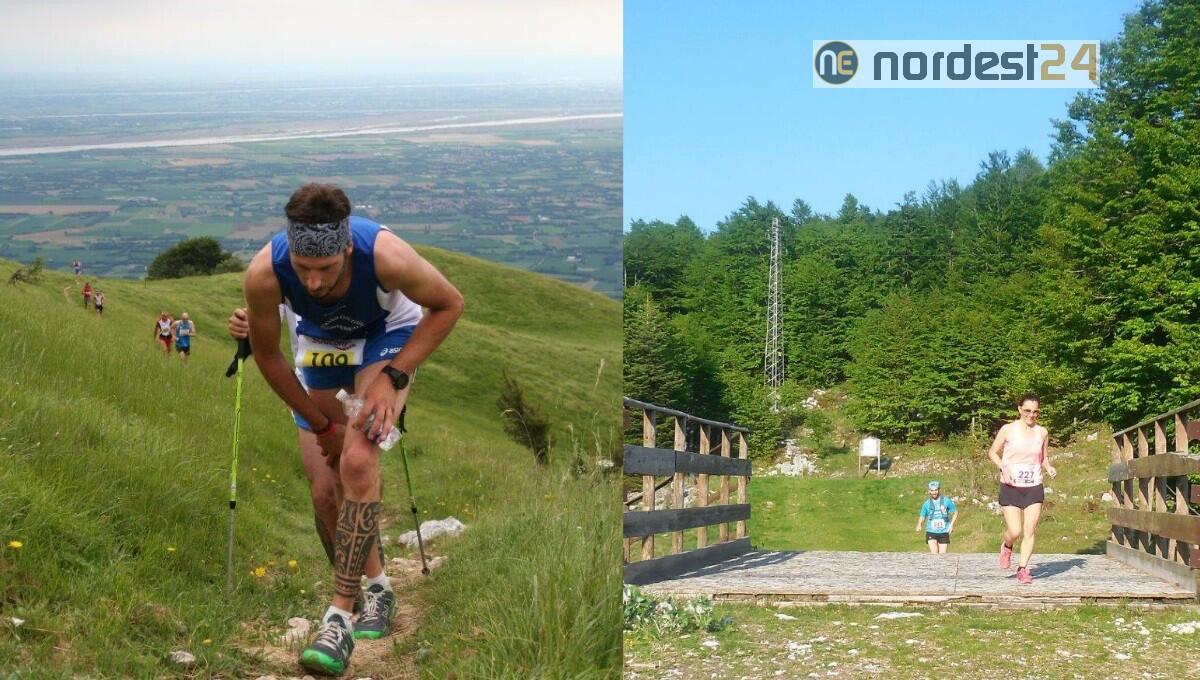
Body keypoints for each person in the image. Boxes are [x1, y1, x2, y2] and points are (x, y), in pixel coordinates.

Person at [242, 183, 462, 676]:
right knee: (326, 490)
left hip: (386, 336)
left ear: (346, 249)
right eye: (303, 269)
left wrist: (394, 377)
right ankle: (378, 586)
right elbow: (268, 356)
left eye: (325, 269)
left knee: (358, 460)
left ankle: (338, 619)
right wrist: (322, 425)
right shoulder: (264, 274)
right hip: (321, 344)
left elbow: (449, 304)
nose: (313, 283)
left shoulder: (386, 256)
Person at [987, 393, 1057, 584]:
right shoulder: (1008, 430)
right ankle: (1007, 545)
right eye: (1027, 410)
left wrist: (1049, 467)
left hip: (1033, 485)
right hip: (1010, 485)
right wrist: (1004, 467)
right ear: (1019, 409)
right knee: (1015, 530)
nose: (1031, 415)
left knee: (1030, 530)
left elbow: (1043, 457)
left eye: (1035, 412)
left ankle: (1023, 569)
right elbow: (992, 452)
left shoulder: (1042, 432)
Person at [915, 480, 957, 554]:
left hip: (944, 531)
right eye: (932, 490)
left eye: (936, 490)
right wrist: (919, 524)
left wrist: (952, 525)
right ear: (929, 491)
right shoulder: (926, 503)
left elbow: (955, 512)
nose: (934, 492)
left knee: (942, 555)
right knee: (934, 554)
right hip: (931, 531)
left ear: (939, 490)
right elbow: (922, 516)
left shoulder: (946, 501)